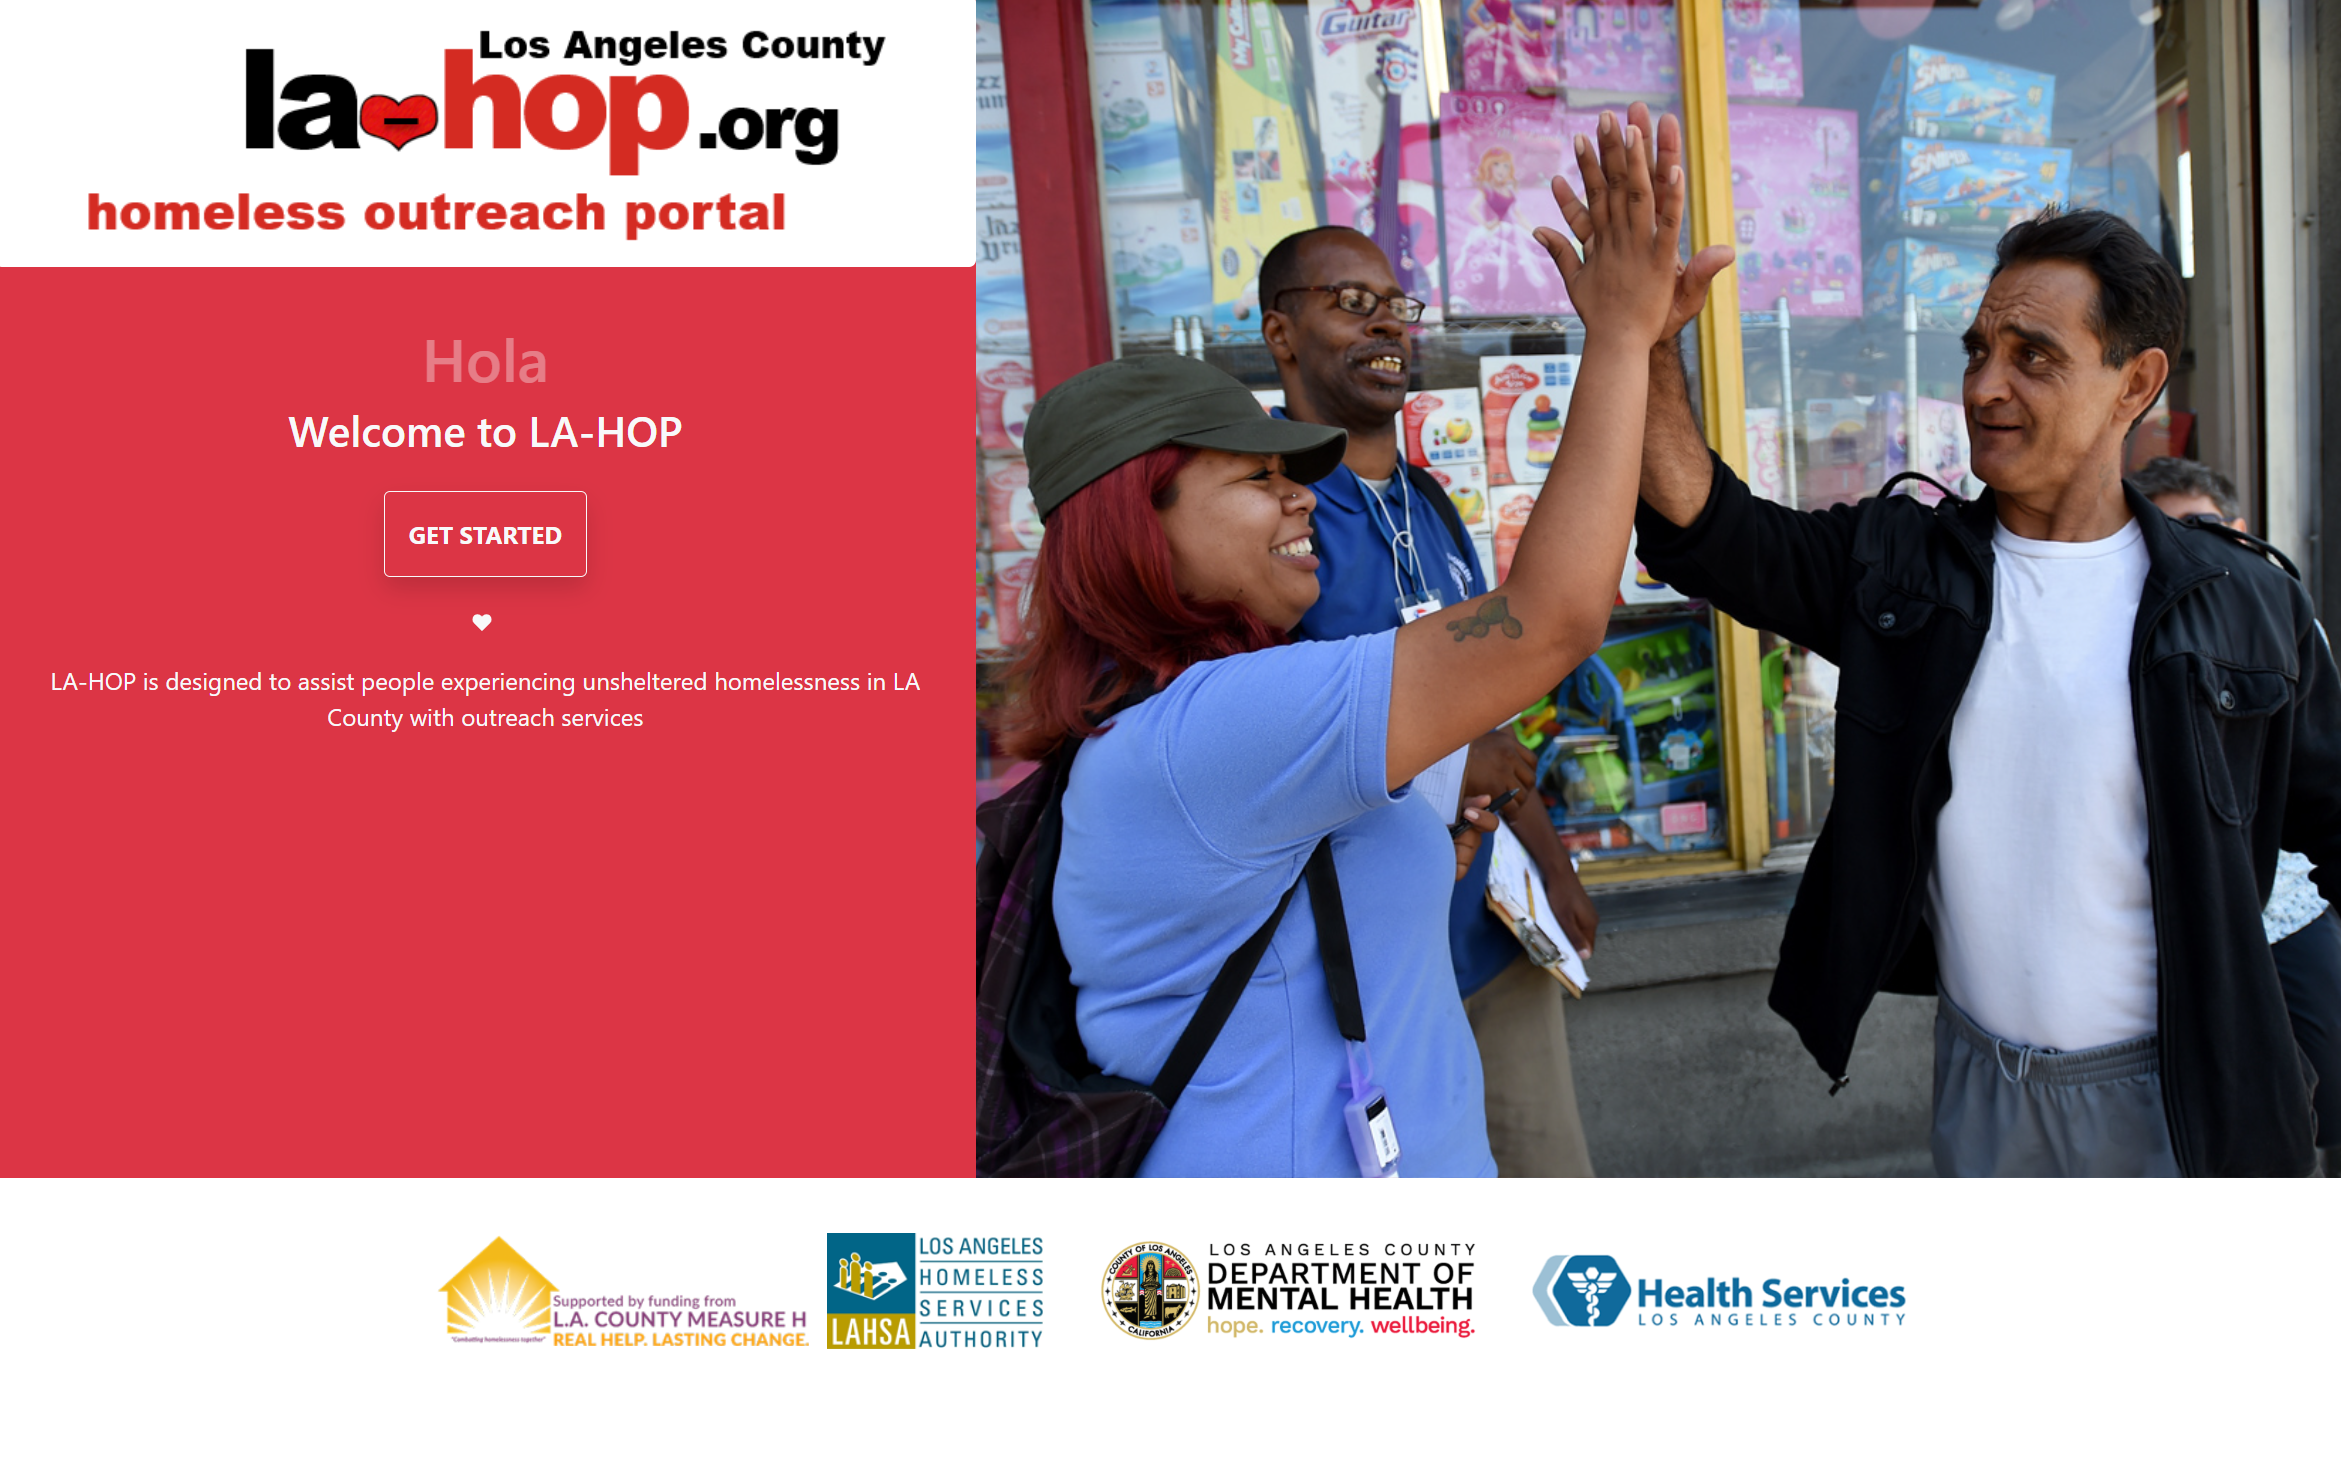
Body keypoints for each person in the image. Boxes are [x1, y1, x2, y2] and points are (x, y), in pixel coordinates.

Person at [992, 111, 1695, 1176]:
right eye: (1256, 479)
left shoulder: (1209, 710)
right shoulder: (1210, 729)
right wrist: (1618, 335)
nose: (1299, 501)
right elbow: (1551, 616)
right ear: (1144, 521)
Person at [1615, 197, 2341, 1176]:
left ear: (2135, 382)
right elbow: (1710, 532)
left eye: (2032, 356)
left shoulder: (2243, 604)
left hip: (2183, 1098)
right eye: (1977, 350)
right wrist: (1646, 348)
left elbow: (2332, 821)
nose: (1985, 386)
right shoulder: (1900, 570)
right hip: (1980, 1086)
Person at [1257, 221, 1602, 1177]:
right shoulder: (1269, 513)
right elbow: (1274, 745)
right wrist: (1452, 763)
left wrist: (1553, 865)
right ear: (1280, 334)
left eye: (1397, 307)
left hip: (1488, 942)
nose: (1387, 328)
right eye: (1350, 303)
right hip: (1360, 981)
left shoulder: (1431, 502)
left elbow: (1490, 721)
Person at [2136, 456, 2341, 1175]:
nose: (2185, 541)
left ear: (2240, 530)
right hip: (2187, 928)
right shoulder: (2136, 627)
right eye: (2165, 528)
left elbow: (2324, 775)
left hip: (2286, 905)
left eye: (2200, 524)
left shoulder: (2278, 606)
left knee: (2317, 1105)